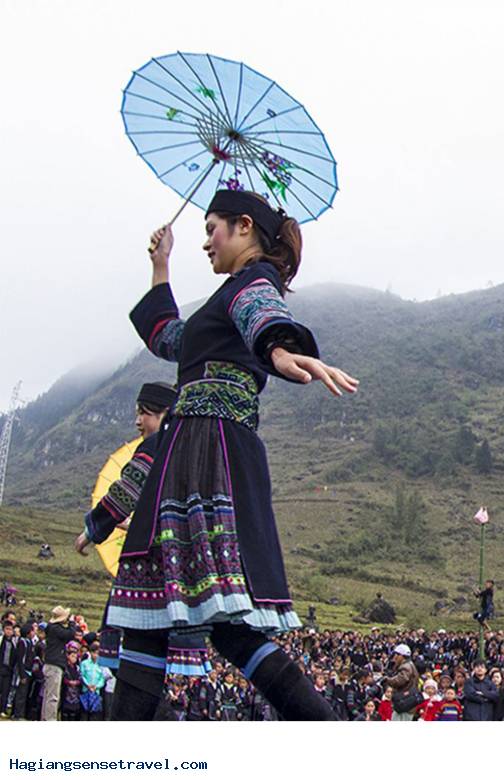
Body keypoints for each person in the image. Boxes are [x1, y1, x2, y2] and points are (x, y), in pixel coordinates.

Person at [107, 191, 358, 721]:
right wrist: (160, 265)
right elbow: (168, 338)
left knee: (193, 614)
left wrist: (281, 349)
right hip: (195, 447)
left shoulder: (250, 284)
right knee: (185, 616)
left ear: (244, 227)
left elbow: (261, 315)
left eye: (212, 227)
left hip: (207, 452)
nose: (205, 241)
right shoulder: (220, 303)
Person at [75, 382, 214, 688]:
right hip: (186, 564)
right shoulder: (195, 450)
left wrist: (93, 530)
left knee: (139, 657)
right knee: (163, 655)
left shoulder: (154, 446)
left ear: (164, 413)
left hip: (152, 567)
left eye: (144, 413)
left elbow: (125, 492)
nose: (138, 421)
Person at [41, 606, 75, 721]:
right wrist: (72, 624)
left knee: (48, 694)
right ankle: (50, 719)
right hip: (54, 665)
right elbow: (70, 635)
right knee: (53, 696)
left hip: (50, 664)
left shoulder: (51, 628)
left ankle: (45, 717)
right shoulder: (56, 629)